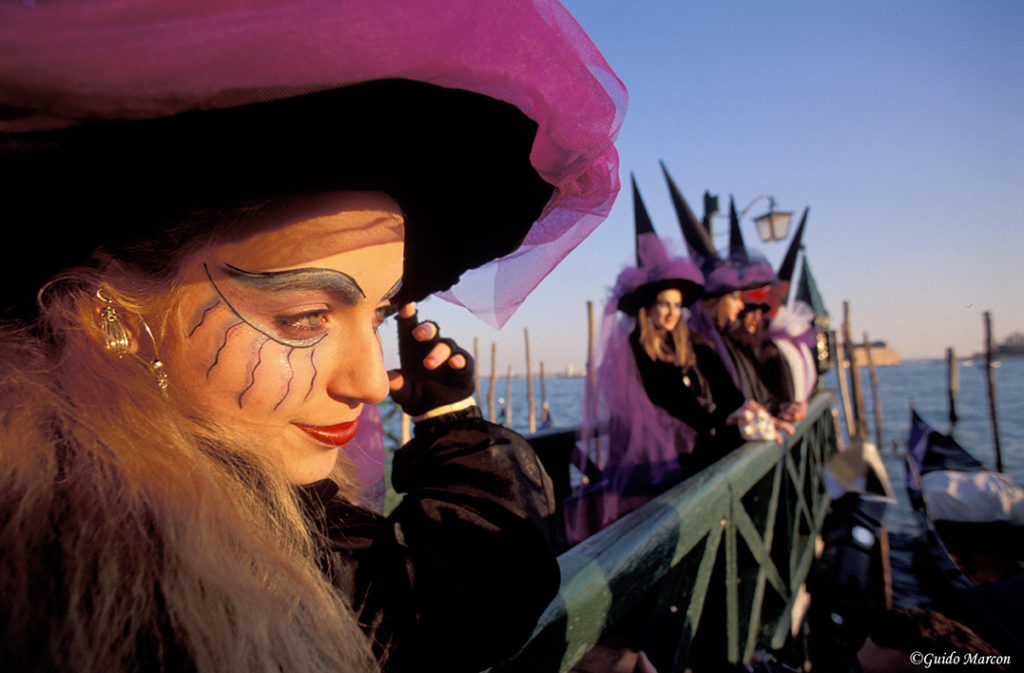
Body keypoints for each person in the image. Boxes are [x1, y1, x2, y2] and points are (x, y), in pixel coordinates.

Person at [0, 1, 626, 672]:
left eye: (380, 315)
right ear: (115, 318)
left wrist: (448, 418)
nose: (371, 382)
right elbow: (450, 605)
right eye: (303, 317)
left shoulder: (229, 510)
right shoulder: (88, 576)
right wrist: (452, 422)